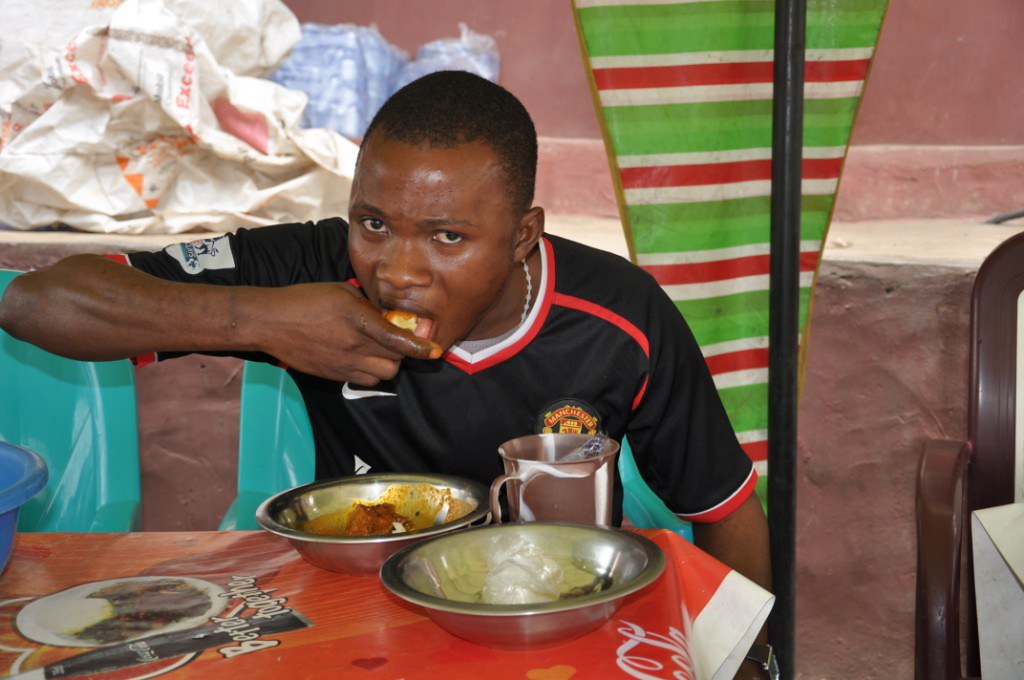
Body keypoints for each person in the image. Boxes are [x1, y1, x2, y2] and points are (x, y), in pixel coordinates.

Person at [0, 70, 772, 674]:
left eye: (447, 236)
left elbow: (723, 506)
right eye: (373, 223)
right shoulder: (313, 272)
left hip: (551, 627)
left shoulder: (618, 318)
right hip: (359, 625)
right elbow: (39, 303)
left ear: (521, 236)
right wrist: (268, 321)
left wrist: (752, 663)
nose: (399, 271)